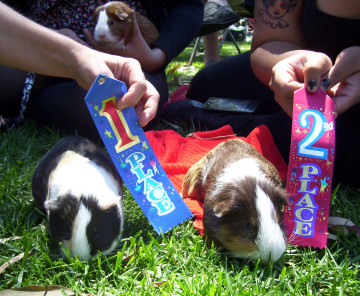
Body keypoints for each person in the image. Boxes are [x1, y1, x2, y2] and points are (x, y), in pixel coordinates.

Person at [162, 0, 360, 187]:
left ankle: (241, 126)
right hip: (312, 77)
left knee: (328, 145)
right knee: (204, 84)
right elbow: (271, 40)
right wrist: (289, 65)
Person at [0, 0, 203, 140]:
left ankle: (23, 106)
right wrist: (54, 41)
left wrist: (155, 56)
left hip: (129, 59)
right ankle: (31, 103)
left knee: (113, 111)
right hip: (35, 45)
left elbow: (188, 5)